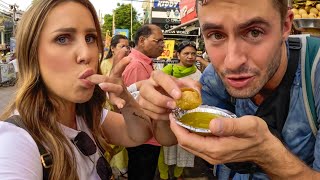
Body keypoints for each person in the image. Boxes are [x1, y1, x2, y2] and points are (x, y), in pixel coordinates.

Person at [135, 0, 320, 179]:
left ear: (286, 26)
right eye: (216, 35)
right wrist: (163, 111)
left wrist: (268, 156)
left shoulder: (314, 72)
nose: (231, 62)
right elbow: (168, 139)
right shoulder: (214, 77)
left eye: (255, 32)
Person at [0, 0, 171, 179]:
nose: (87, 54)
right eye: (62, 39)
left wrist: (124, 97)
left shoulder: (86, 114)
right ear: (31, 53)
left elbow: (140, 135)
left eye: (90, 38)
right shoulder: (14, 142)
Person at [122, 24, 165, 180]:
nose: (163, 45)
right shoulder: (136, 65)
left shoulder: (143, 63)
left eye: (163, 41)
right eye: (158, 41)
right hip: (144, 139)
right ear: (142, 40)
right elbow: (135, 108)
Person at [159, 41, 202, 180]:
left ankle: (178, 174)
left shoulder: (198, 74)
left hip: (190, 116)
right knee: (166, 146)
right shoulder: (168, 70)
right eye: (186, 53)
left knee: (185, 146)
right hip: (170, 115)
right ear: (178, 54)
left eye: (193, 54)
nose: (190, 56)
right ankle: (164, 174)